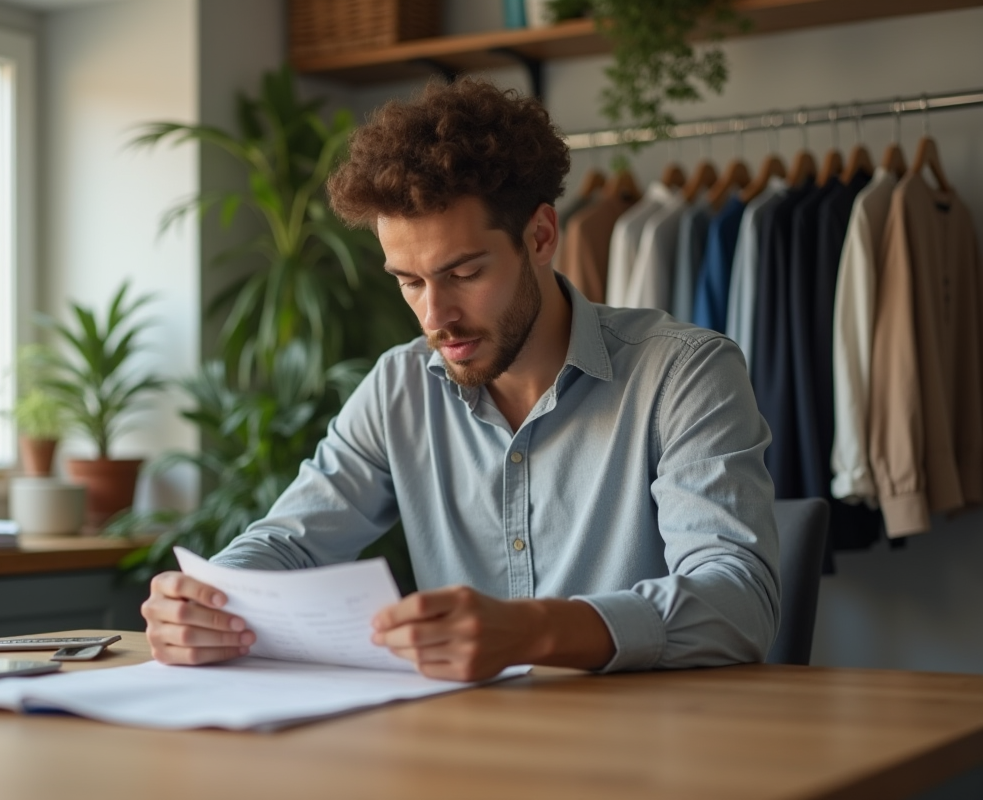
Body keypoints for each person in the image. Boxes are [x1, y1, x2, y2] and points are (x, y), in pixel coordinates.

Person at [142, 79, 780, 681]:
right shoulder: (399, 386)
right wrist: (205, 598)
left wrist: (534, 631)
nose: (435, 316)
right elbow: (288, 543)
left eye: (465, 273)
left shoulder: (684, 371)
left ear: (540, 235)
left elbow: (739, 602)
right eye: (409, 281)